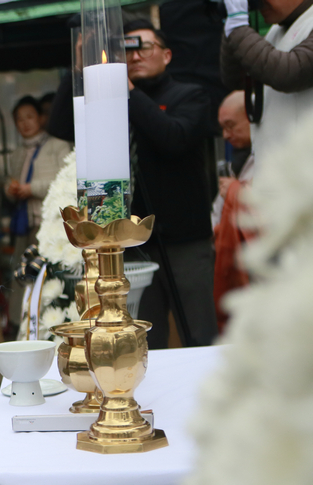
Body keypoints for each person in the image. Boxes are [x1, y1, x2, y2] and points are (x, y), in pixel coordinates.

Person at [124, 19, 218, 349]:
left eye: (143, 48)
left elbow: (173, 138)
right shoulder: (115, 105)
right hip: (135, 242)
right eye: (126, 51)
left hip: (184, 240)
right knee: (144, 339)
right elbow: (62, 126)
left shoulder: (190, 95)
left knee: (198, 332)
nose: (134, 57)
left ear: (166, 55)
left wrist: (131, 93)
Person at [4, 96, 71, 333]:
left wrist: (30, 188)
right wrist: (11, 190)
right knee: (23, 275)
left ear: (41, 118)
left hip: (49, 224)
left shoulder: (58, 146)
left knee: (49, 276)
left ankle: (49, 325)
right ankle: (20, 325)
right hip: (25, 223)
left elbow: (63, 181)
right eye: (19, 119)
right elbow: (9, 184)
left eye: (30, 117)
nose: (25, 123)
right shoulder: (16, 154)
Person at [221, 0, 313, 163]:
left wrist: (238, 29)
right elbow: (236, 79)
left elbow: (290, 73)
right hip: (278, 172)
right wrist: (232, 26)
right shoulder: (277, 29)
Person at [212, 91, 257, 332]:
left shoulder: (271, 151)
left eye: (230, 126)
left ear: (251, 117)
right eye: (223, 128)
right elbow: (217, 210)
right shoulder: (236, 160)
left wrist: (239, 192)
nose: (226, 135)